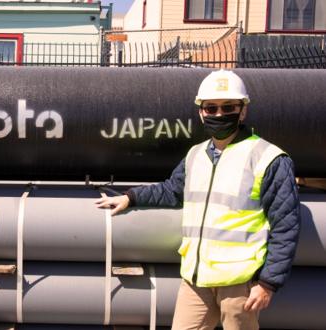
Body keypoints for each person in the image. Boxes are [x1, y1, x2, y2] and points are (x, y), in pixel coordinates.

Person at [96, 69, 300, 329]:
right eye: (211, 108)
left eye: (228, 107)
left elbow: (286, 226)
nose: (218, 114)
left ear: (243, 110)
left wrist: (268, 284)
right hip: (196, 279)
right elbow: (172, 190)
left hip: (240, 284)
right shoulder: (196, 155)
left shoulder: (268, 157)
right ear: (201, 112)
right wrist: (131, 197)